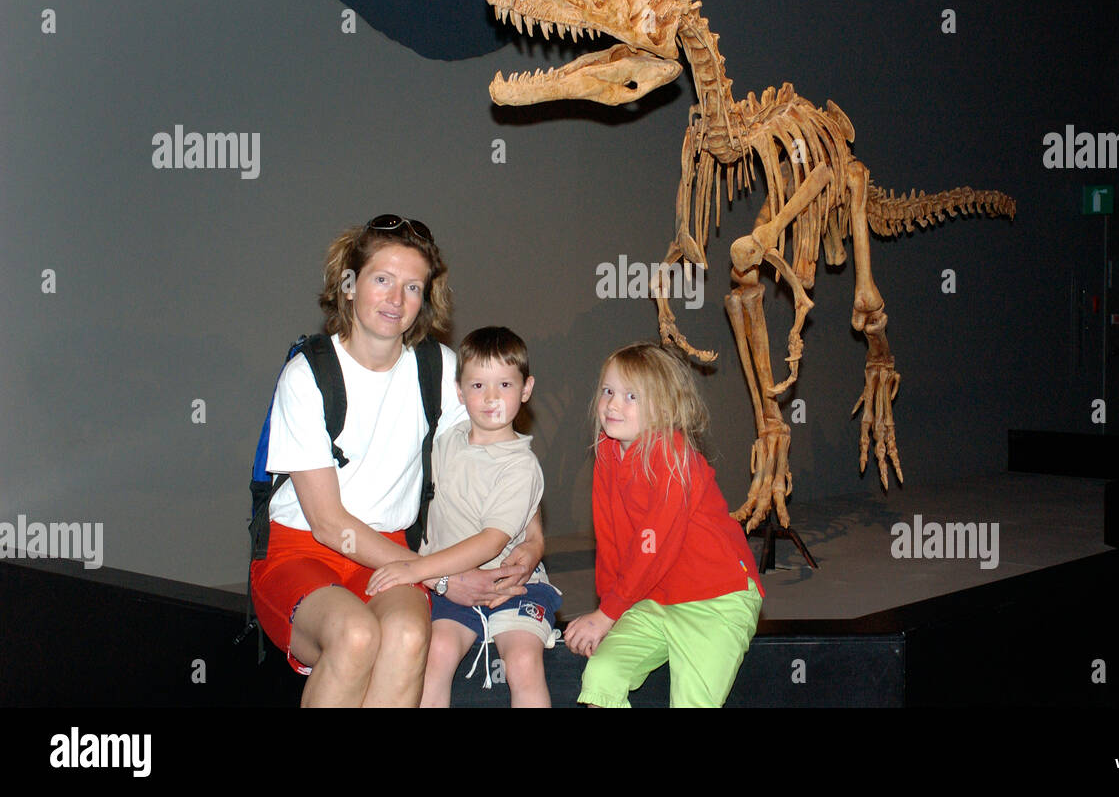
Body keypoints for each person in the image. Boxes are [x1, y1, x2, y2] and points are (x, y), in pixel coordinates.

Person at [249, 215, 544, 707]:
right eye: (381, 279)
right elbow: (328, 522)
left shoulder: (439, 368)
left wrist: (531, 535)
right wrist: (439, 575)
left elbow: (497, 446)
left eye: (412, 286)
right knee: (356, 635)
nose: (395, 299)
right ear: (349, 284)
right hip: (302, 550)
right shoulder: (308, 375)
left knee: (409, 636)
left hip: (391, 549)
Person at [368, 326, 561, 708]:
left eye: (505, 384)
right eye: (477, 386)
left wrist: (416, 569)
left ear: (526, 389)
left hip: (511, 586)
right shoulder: (445, 441)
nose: (491, 398)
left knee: (523, 661)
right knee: (434, 655)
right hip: (452, 591)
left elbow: (491, 540)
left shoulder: (521, 466)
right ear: (459, 392)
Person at [563, 342, 764, 707]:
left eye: (631, 396)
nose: (612, 404)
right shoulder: (607, 453)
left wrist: (607, 615)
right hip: (655, 597)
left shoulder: (673, 454)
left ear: (664, 407)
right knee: (601, 676)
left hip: (715, 597)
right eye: (608, 391)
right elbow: (609, 541)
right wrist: (609, 608)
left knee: (692, 701)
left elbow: (653, 545)